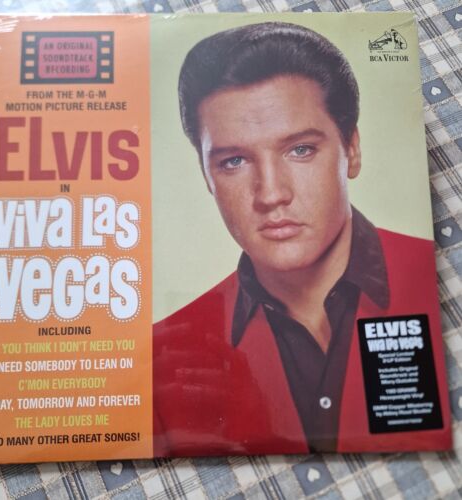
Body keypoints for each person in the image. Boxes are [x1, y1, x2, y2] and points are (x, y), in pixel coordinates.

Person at [153, 22, 449, 456]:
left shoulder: (439, 276)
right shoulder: (165, 357)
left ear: (351, 149)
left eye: (300, 150)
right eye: (234, 161)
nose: (271, 194)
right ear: (205, 175)